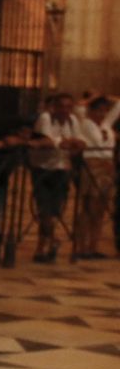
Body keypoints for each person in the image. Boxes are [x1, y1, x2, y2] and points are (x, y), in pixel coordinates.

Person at [28, 91, 87, 262]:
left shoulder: (73, 121)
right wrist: (63, 142)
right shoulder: (45, 118)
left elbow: (79, 141)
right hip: (43, 168)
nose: (64, 110)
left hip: (61, 169)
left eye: (68, 107)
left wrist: (72, 143)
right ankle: (51, 241)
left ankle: (43, 247)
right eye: (61, 106)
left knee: (55, 210)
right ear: (54, 107)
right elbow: (47, 140)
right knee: (44, 208)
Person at [74, 94, 115, 259]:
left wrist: (106, 96)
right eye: (98, 110)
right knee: (87, 206)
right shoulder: (85, 123)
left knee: (100, 208)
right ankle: (81, 246)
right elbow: (79, 107)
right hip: (91, 165)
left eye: (105, 111)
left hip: (107, 167)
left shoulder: (106, 125)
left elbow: (118, 106)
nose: (102, 114)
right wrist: (95, 96)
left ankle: (93, 246)